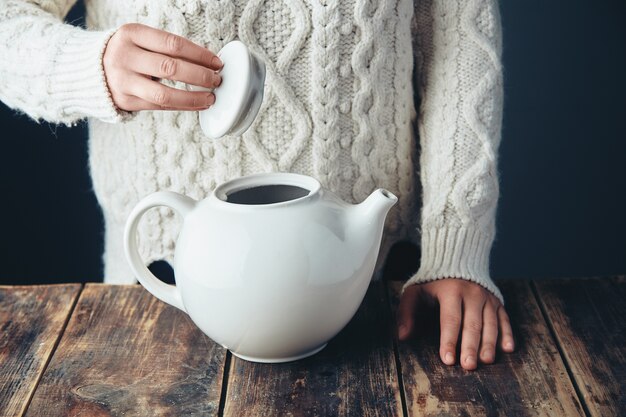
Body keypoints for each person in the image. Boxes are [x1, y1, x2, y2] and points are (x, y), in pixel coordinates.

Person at [0, 0, 514, 370]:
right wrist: (87, 67)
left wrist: (456, 244)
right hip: (160, 294)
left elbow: (460, 40)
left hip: (379, 288)